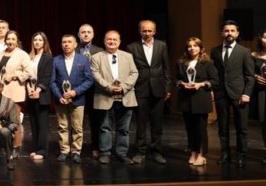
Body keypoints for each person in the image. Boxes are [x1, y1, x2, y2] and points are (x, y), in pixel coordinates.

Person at [211, 20, 256, 167]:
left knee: (241, 127)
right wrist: (212, 90)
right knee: (222, 127)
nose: (229, 33)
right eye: (226, 30)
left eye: (232, 31)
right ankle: (225, 154)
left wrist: (246, 94)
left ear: (237, 33)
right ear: (222, 33)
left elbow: (249, 76)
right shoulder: (215, 51)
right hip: (221, 94)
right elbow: (213, 73)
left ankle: (241, 155)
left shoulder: (244, 52)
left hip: (239, 94)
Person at [127, 20, 172, 164]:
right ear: (140, 31)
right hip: (140, 89)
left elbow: (166, 68)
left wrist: (168, 88)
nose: (147, 33)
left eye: (150, 31)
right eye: (144, 31)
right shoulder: (131, 47)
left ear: (155, 31)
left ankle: (157, 152)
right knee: (141, 123)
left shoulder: (162, 45)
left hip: (158, 89)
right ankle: (140, 152)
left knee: (157, 123)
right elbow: (129, 70)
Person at [90, 31, 139, 165]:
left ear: (119, 41)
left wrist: (123, 86)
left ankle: (122, 153)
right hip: (105, 96)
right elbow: (95, 75)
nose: (111, 42)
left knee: (124, 129)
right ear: (104, 41)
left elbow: (134, 73)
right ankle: (105, 153)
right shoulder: (96, 57)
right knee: (104, 127)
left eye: (114, 39)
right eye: (109, 39)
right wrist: (109, 87)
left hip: (125, 96)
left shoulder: (128, 56)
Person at [50, 34, 94, 164]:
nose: (66, 44)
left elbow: (89, 80)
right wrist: (59, 96)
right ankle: (64, 151)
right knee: (62, 126)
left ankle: (76, 152)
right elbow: (52, 82)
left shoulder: (83, 60)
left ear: (75, 44)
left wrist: (76, 92)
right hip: (61, 100)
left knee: (77, 127)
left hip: (78, 99)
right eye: (64, 42)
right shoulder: (56, 60)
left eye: (69, 42)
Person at [176, 37, 218, 166]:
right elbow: (176, 79)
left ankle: (201, 154)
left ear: (200, 48)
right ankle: (193, 152)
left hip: (201, 98)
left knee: (200, 128)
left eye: (195, 46)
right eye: (189, 46)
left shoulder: (208, 62)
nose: (192, 48)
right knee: (189, 128)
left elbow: (215, 81)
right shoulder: (181, 62)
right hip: (186, 99)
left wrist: (201, 84)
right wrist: (182, 84)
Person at [0, 30, 32, 159]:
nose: (10, 41)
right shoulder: (1, 53)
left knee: (14, 120)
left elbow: (29, 72)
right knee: (3, 121)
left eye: (13, 39)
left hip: (15, 92)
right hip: (2, 93)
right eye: (8, 39)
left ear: (17, 41)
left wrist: (14, 76)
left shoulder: (22, 54)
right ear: (5, 40)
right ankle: (5, 146)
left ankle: (16, 146)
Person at [77, 23, 104, 158]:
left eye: (89, 32)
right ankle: (75, 149)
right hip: (78, 90)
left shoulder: (99, 50)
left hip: (94, 90)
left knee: (95, 121)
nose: (86, 34)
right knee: (76, 122)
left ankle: (96, 147)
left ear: (93, 35)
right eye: (83, 32)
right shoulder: (73, 49)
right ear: (79, 35)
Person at [26, 32, 53, 160]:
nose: (37, 42)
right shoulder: (30, 57)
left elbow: (47, 77)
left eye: (40, 40)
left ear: (44, 42)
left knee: (42, 124)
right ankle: (36, 148)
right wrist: (29, 89)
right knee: (33, 123)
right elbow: (27, 75)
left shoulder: (47, 57)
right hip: (30, 94)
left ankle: (42, 151)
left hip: (41, 95)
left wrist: (37, 90)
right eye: (35, 40)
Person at [254, 29, 266, 165]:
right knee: (264, 123)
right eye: (265, 37)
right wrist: (256, 76)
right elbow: (248, 72)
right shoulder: (253, 55)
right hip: (262, 92)